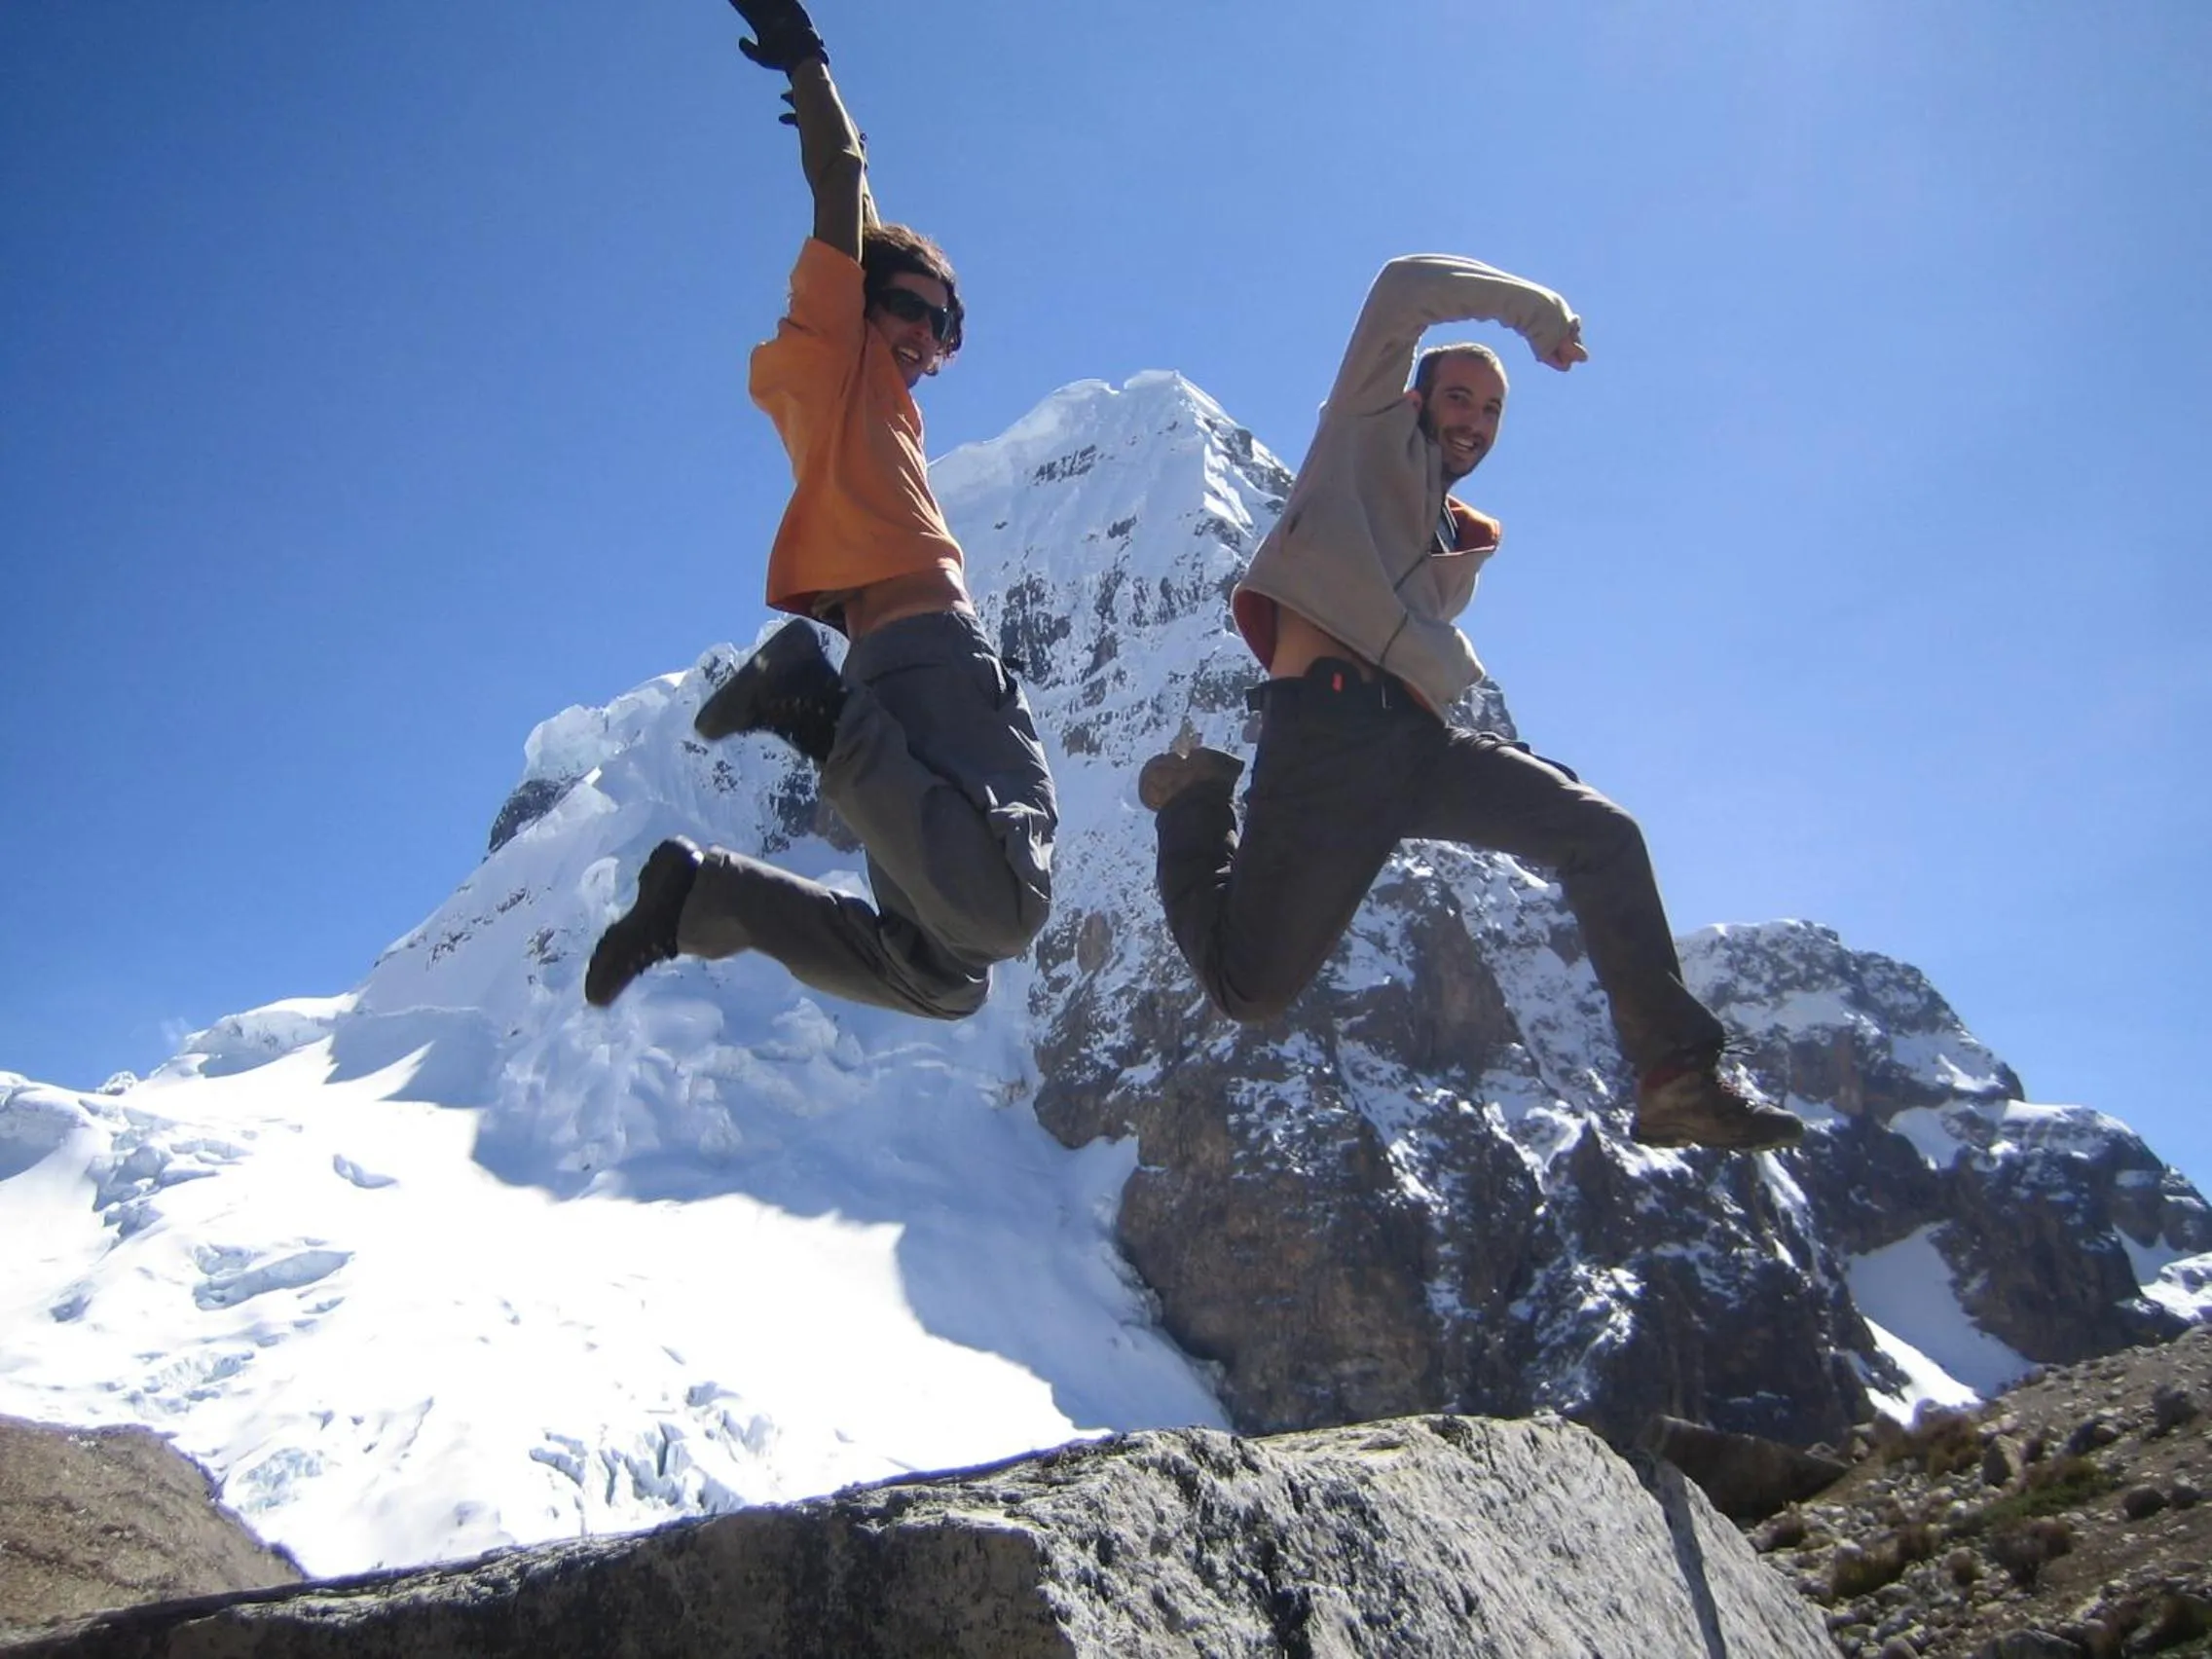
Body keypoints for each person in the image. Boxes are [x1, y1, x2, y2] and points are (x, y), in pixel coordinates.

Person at [1138, 254, 1801, 1152]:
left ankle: (1676, 1079)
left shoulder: (1456, 537)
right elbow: (1404, 287)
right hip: (1325, 742)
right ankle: (1192, 803)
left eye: (1492, 411)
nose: (1476, 421)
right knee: (1249, 990)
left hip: (1417, 746)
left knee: (1602, 835)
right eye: (1460, 397)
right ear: (1415, 399)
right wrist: (1535, 317)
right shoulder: (1362, 436)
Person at [585, 0, 1054, 1020]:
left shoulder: (854, 388)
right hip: (931, 655)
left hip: (890, 664)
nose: (934, 341)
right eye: (917, 312)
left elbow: (866, 207)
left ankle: (703, 902)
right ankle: (807, 706)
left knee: (946, 975)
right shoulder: (836, 348)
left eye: (951, 328)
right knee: (1010, 909)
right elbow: (844, 186)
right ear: (860, 297)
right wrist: (806, 62)